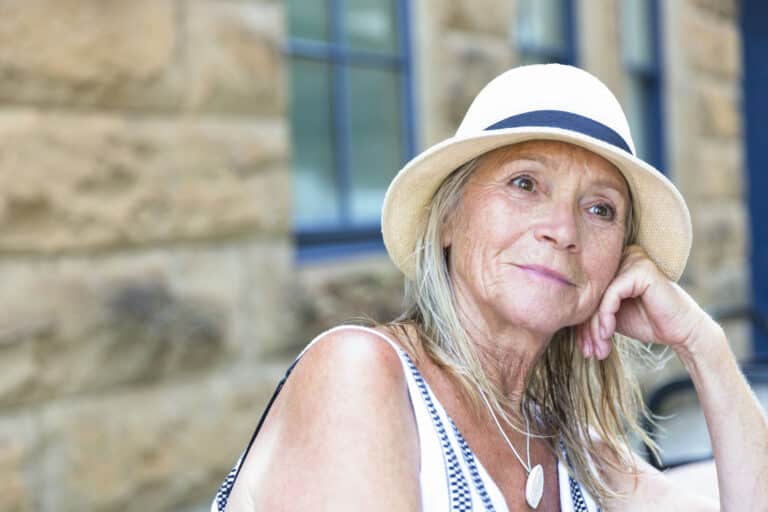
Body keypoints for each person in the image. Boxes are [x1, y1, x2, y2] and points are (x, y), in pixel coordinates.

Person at [212, 64, 768, 511]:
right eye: (525, 183)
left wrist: (702, 343)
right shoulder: (361, 375)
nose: (563, 230)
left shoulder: (575, 454)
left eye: (600, 208)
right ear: (449, 218)